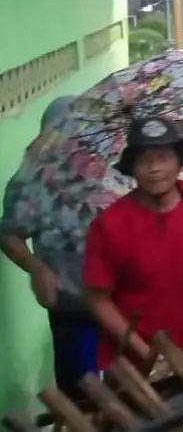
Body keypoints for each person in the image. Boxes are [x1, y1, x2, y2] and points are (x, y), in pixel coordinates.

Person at [82, 118, 183, 370]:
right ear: (132, 168)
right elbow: (97, 299)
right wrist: (148, 354)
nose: (154, 168)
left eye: (163, 157)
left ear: (179, 163)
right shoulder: (109, 225)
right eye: (144, 160)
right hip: (132, 365)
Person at [0, 96, 97, 398]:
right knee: (84, 393)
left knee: (133, 388)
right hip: (72, 305)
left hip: (125, 302)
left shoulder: (117, 171)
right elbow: (9, 232)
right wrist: (35, 267)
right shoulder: (32, 183)